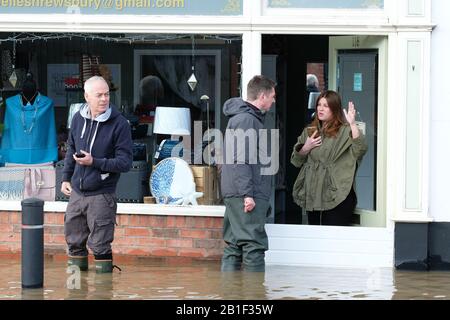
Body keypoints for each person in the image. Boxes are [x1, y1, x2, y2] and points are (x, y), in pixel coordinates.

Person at [61, 76, 133, 273]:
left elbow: (125, 163)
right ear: (86, 96)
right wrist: (66, 177)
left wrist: (95, 162)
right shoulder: (77, 118)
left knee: (100, 246)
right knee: (74, 244)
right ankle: (75, 291)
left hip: (102, 194)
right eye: (99, 95)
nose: (104, 99)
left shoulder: (120, 124)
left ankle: (103, 291)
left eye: (107, 94)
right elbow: (71, 149)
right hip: (77, 192)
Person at [220, 75, 276, 272]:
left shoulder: (243, 118)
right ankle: (256, 297)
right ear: (262, 96)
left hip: (237, 191)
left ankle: (231, 296)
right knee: (254, 246)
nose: (273, 100)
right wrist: (248, 195)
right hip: (246, 193)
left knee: (234, 245)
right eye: (272, 96)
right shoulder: (247, 120)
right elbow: (240, 160)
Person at [291, 90, 368, 226]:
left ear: (335, 108)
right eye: (319, 105)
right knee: (315, 238)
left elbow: (360, 149)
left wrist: (352, 124)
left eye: (326, 106)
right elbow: (296, 161)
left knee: (334, 239)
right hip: (313, 193)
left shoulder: (345, 130)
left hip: (337, 193)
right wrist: (306, 147)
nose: (320, 108)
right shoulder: (310, 130)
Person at [0, 72, 57, 164]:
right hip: (14, 158)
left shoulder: (47, 104)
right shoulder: (11, 104)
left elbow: (50, 131)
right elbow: (8, 132)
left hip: (43, 157)